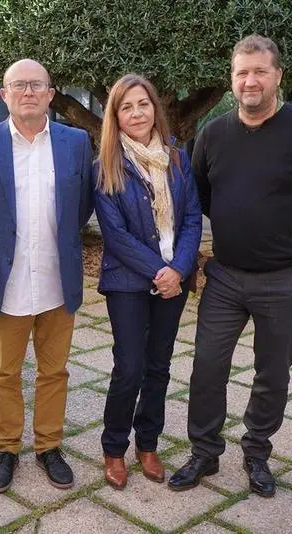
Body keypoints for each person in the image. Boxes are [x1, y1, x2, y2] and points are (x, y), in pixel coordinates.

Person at [168, 34, 292, 497]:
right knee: (207, 366)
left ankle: (257, 453)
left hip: (286, 278)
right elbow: (202, 198)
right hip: (226, 276)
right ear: (231, 79)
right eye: (241, 73)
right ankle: (205, 453)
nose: (249, 81)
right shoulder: (213, 134)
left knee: (273, 371)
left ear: (278, 77)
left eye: (259, 72)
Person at [0, 59, 94, 494]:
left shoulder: (75, 143)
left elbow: (83, 205)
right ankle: (6, 447)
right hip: (6, 278)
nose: (28, 92)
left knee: (55, 373)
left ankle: (49, 446)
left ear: (51, 93)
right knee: (5, 372)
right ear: (5, 95)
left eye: (37, 85)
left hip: (58, 279)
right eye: (19, 86)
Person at [94, 74, 202, 490]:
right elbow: (114, 235)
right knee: (130, 367)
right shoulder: (106, 165)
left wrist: (179, 268)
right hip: (127, 281)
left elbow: (192, 216)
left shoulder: (176, 157)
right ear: (115, 117)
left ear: (155, 108)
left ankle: (148, 445)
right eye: (127, 107)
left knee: (159, 366)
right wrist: (160, 270)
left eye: (143, 104)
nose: (137, 113)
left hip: (173, 279)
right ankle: (113, 449)